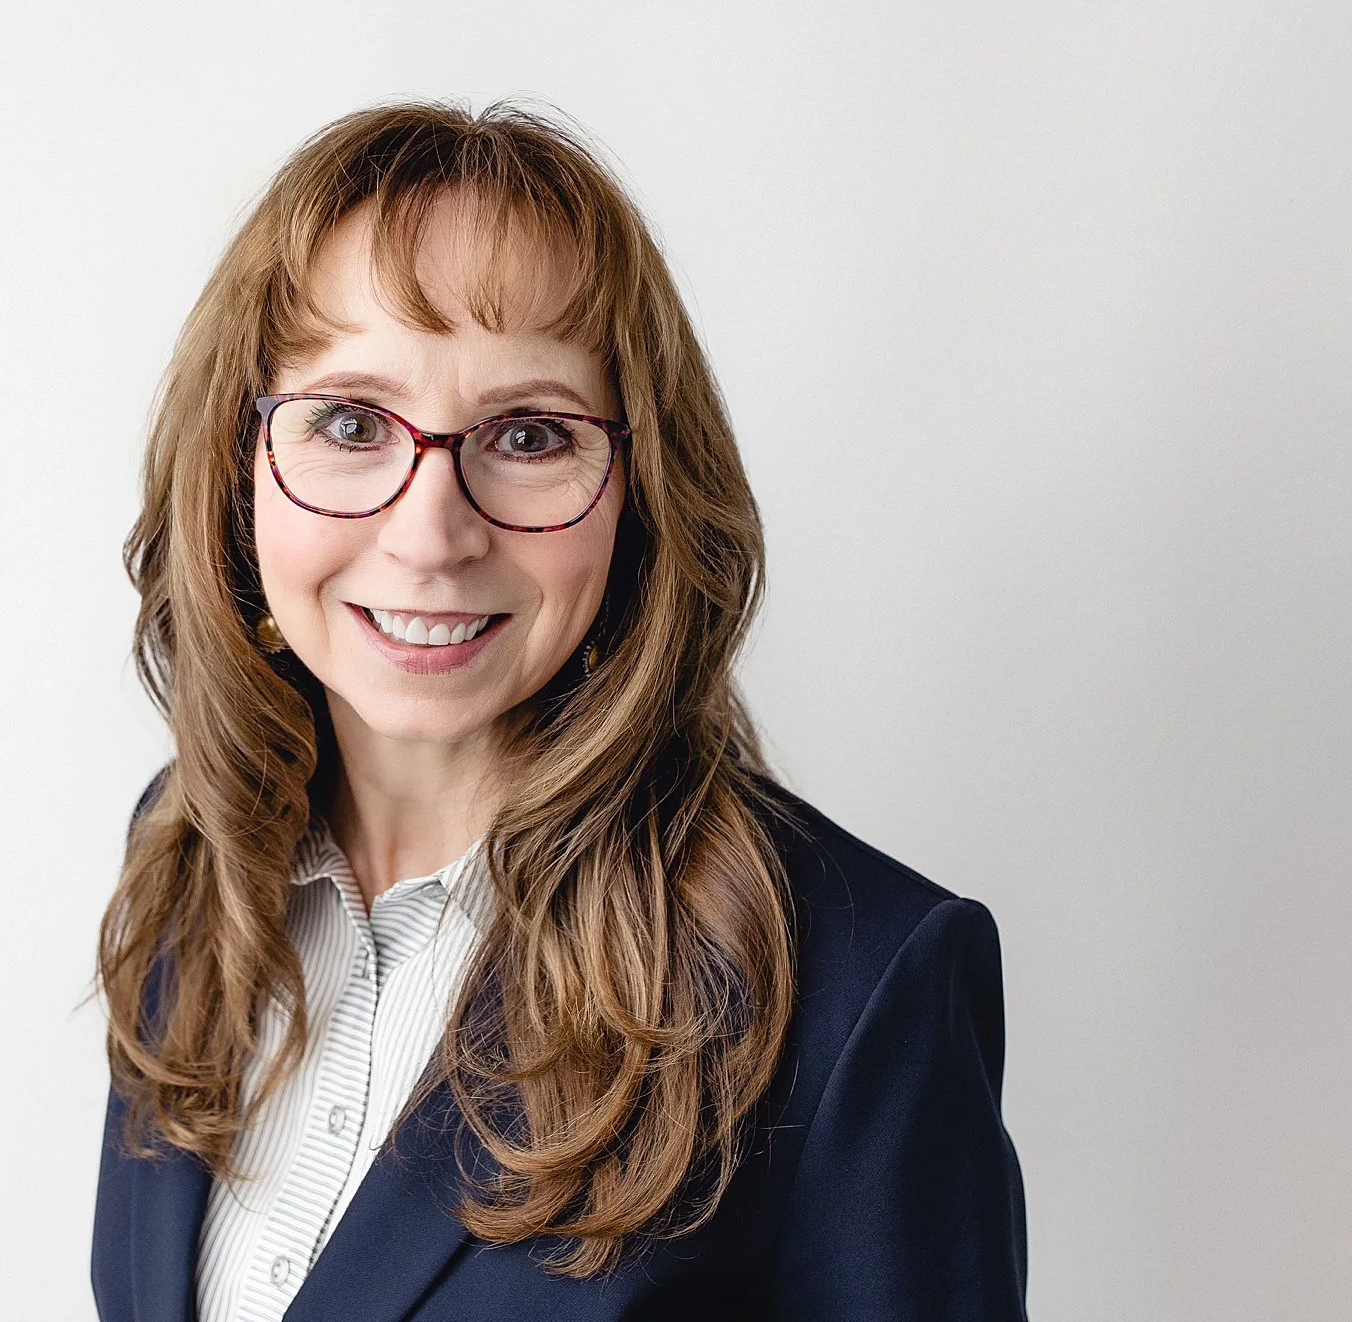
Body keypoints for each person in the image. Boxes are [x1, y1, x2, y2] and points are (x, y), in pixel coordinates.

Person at [91, 100, 1026, 1322]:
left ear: (641, 496)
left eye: (528, 434)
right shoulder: (187, 850)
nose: (430, 533)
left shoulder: (857, 987)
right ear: (235, 472)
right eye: (349, 423)